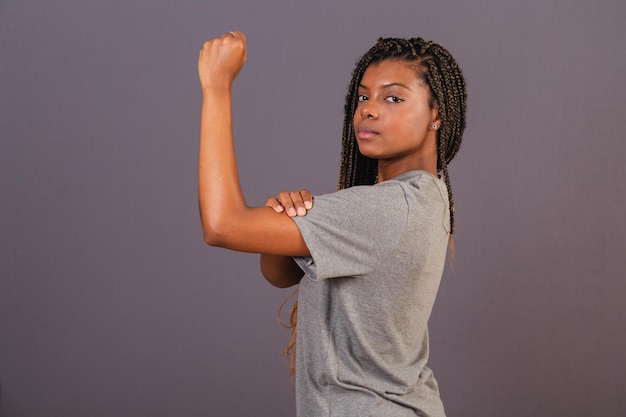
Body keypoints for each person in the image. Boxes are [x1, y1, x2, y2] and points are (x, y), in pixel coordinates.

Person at [197, 31, 466, 417]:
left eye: (393, 97)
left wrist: (216, 85)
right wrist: (285, 220)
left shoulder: (392, 206)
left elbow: (222, 225)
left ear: (436, 113)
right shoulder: (424, 196)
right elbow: (281, 273)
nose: (369, 109)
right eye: (363, 96)